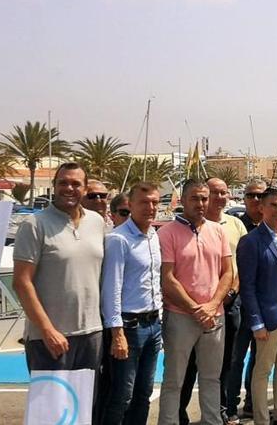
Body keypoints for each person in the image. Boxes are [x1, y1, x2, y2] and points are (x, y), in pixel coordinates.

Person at [12, 162, 105, 379]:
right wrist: (47, 330)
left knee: (85, 408)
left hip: (91, 334)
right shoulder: (34, 224)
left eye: (76, 183)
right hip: (49, 338)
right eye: (63, 183)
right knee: (50, 411)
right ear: (54, 186)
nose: (69, 188)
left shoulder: (97, 222)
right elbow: (21, 282)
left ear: (85, 189)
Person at [157, 179, 233, 425]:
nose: (200, 203)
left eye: (204, 198)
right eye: (195, 198)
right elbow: (167, 278)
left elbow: (228, 273)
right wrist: (195, 309)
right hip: (180, 316)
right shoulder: (166, 233)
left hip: (215, 316)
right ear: (183, 199)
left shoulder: (218, 230)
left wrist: (211, 306)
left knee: (212, 379)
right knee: (173, 381)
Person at [180, 178, 248, 425]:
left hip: (229, 305)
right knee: (188, 368)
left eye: (223, 192)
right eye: (214, 193)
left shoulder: (235, 224)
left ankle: (222, 409)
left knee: (225, 363)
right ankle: (180, 413)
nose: (219, 197)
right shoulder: (188, 227)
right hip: (194, 309)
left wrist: (229, 295)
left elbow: (238, 267)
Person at [236, 187, 277, 425]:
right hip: (270, 316)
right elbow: (248, 287)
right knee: (263, 370)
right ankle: (262, 419)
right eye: (274, 205)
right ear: (262, 208)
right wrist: (257, 323)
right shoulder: (251, 242)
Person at [100, 182, 163, 425]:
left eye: (155, 202)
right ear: (132, 204)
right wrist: (117, 333)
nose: (150, 207)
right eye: (144, 203)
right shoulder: (118, 239)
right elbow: (111, 289)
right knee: (122, 396)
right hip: (129, 327)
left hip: (153, 325)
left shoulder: (153, 236)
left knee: (144, 394)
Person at [227, 180, 268, 421]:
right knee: (236, 357)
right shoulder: (236, 226)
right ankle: (231, 406)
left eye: (259, 195)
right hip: (240, 303)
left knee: (259, 359)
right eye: (250, 195)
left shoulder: (273, 227)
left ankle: (253, 402)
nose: (255, 199)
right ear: (244, 199)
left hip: (265, 304)